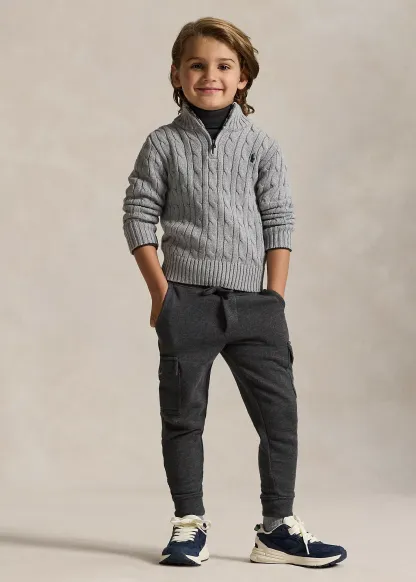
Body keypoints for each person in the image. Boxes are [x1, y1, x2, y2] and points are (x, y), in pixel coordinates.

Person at [122, 17, 347, 569]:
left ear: (243, 76)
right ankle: (188, 524)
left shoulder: (260, 145)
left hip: (255, 306)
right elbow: (138, 215)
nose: (210, 75)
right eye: (196, 65)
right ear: (177, 74)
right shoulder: (163, 144)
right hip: (187, 303)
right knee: (183, 417)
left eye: (224, 66)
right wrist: (160, 294)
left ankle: (277, 529)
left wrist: (274, 298)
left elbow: (279, 221)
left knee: (279, 417)